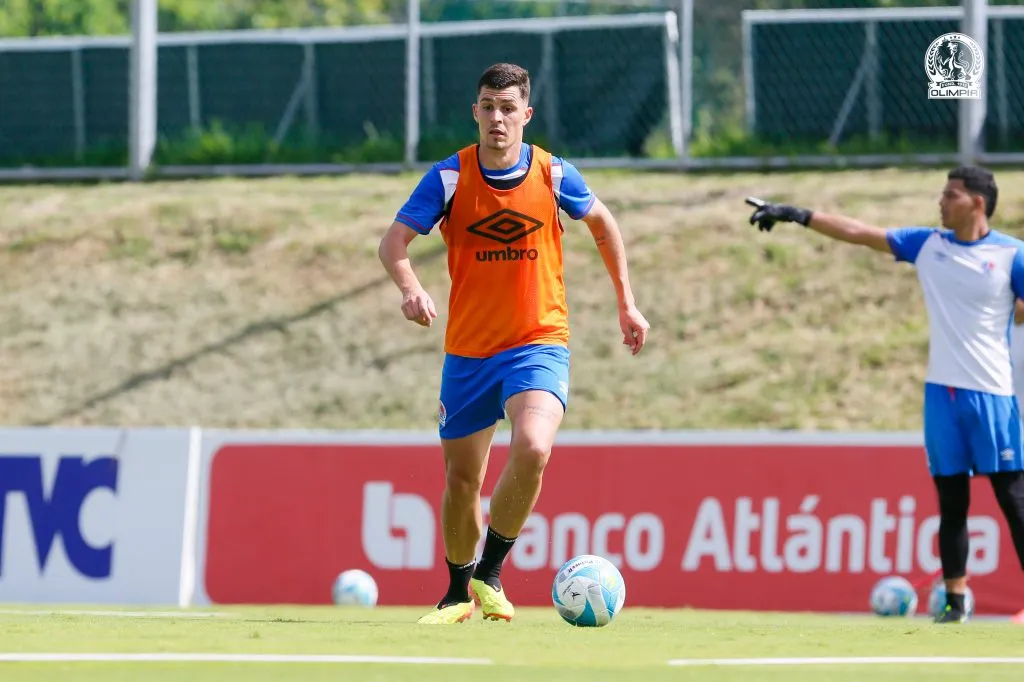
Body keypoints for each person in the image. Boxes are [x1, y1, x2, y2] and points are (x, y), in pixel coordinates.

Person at [378, 62, 650, 625]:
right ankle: (457, 595)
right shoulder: (449, 178)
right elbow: (393, 242)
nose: (497, 119)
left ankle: (491, 572)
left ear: (526, 114)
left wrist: (626, 301)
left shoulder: (554, 174)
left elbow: (603, 224)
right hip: (468, 352)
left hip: (537, 343)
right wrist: (411, 289)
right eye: (488, 107)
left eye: (508, 109)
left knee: (533, 446)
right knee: (462, 482)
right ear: (475, 112)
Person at [745, 166, 1024, 624]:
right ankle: (955, 602)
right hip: (942, 396)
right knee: (951, 503)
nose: (941, 201)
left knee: (1014, 502)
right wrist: (797, 214)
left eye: (951, 194)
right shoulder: (928, 245)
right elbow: (860, 232)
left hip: (993, 396)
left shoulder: (1012, 254)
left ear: (978, 202)